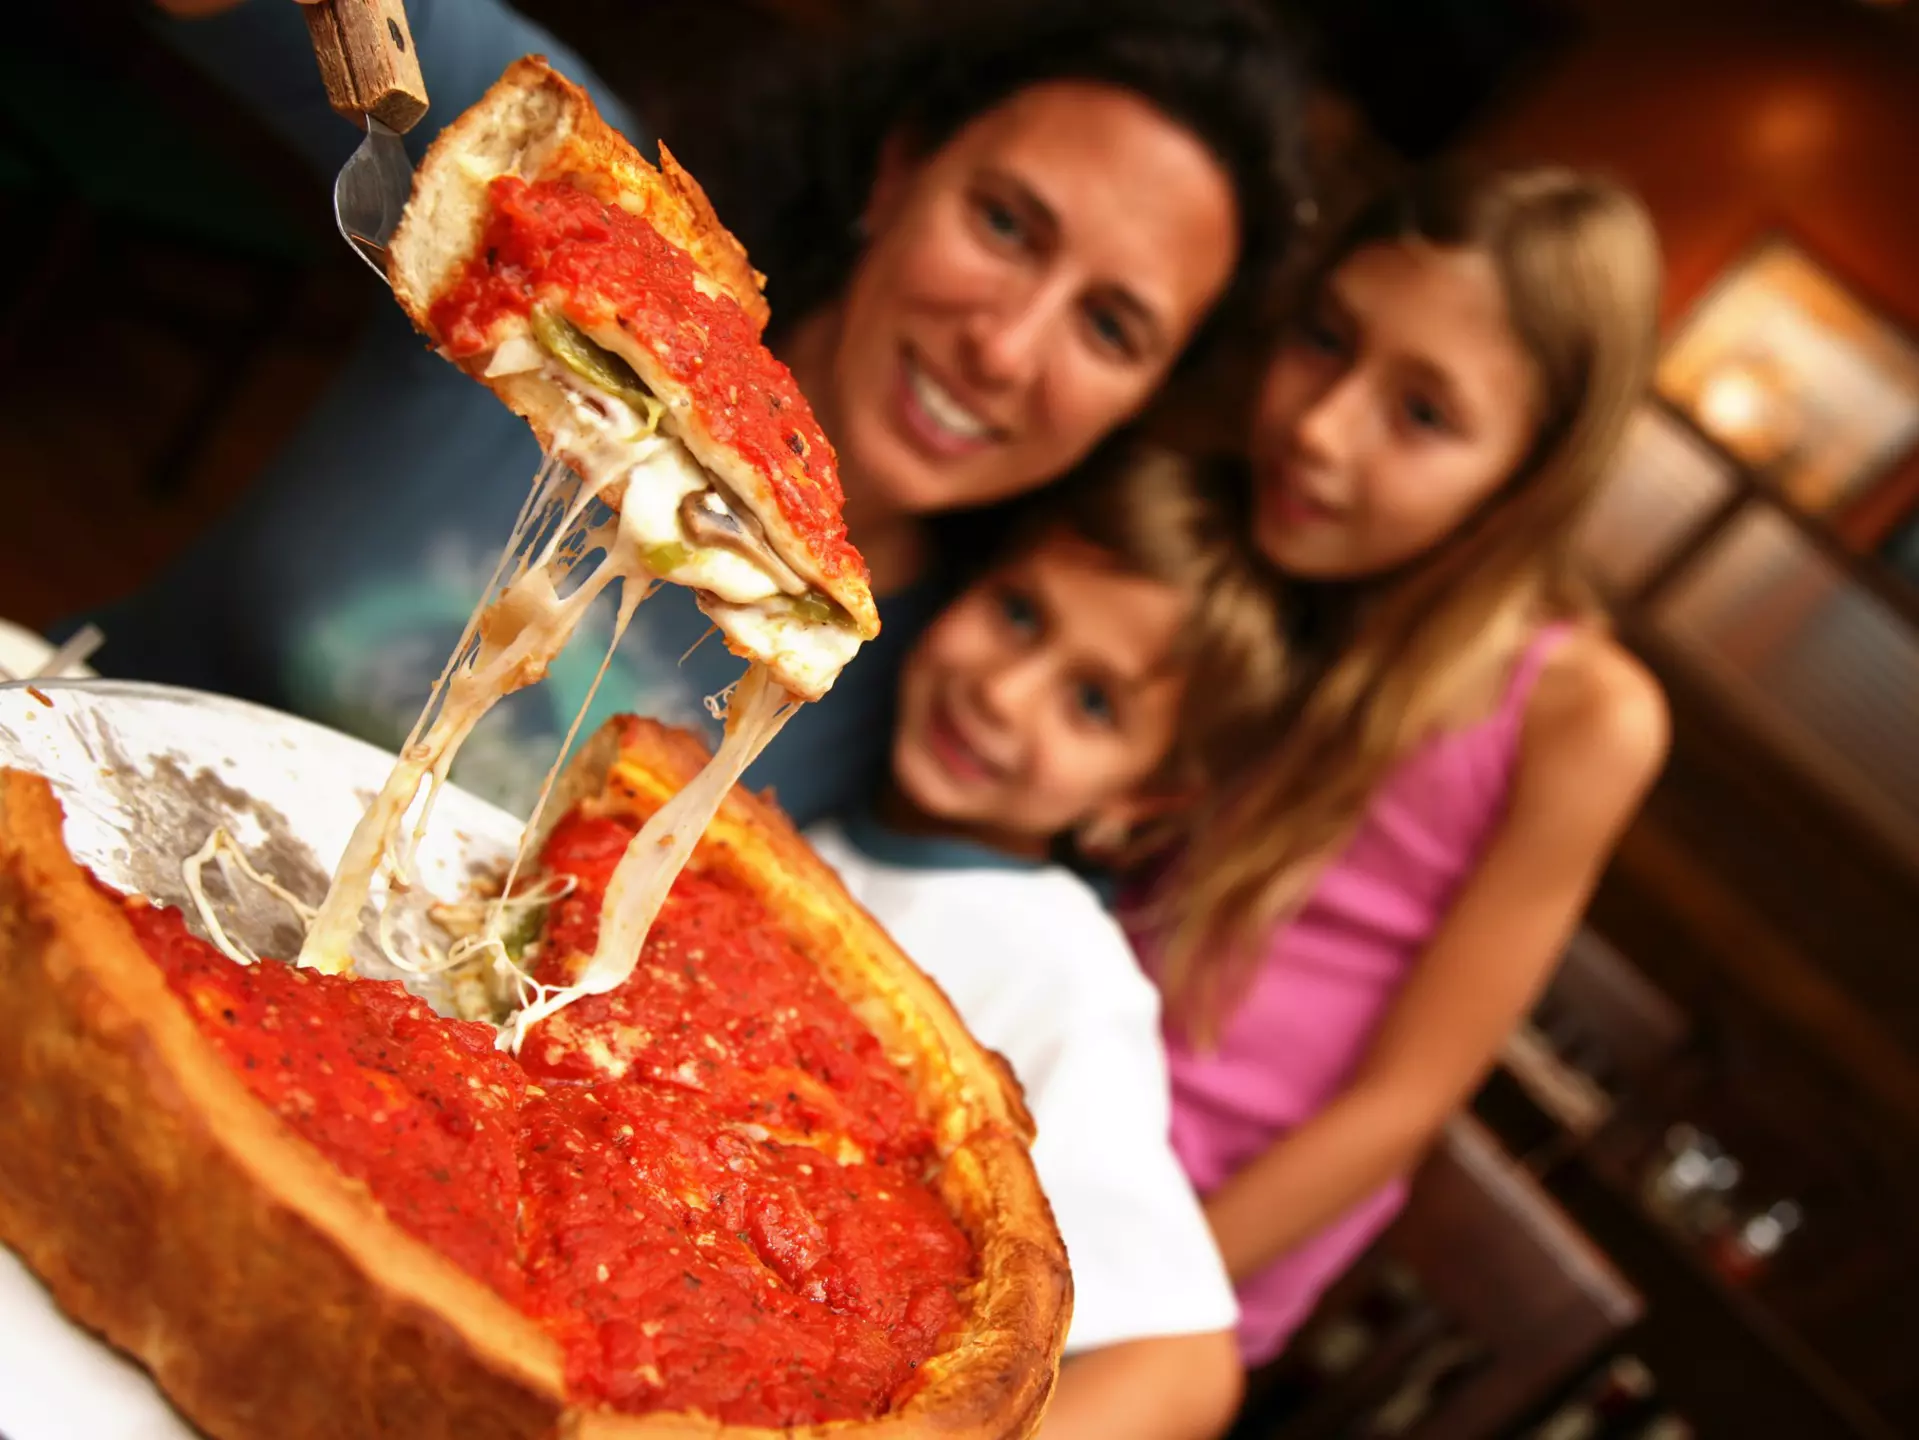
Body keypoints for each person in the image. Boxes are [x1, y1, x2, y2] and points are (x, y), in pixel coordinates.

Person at [71, 0, 1308, 825]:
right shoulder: (573, 213)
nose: (1004, 344)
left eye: (1110, 328)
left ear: (1145, 396)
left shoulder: (961, 689)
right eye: (1002, 223)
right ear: (900, 168)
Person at [1123, 164, 1672, 1368]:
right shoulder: (1259, 549)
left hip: (1184, 1239)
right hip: (1046, 1083)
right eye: (1326, 340)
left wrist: (1129, 1301)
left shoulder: (1581, 712)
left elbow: (1401, 1103)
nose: (1319, 427)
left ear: (1530, 475)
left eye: (1422, 414)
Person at [805, 444, 1289, 1440]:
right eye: (1017, 613)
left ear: (1140, 796)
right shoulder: (826, 808)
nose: (1004, 693)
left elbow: (1181, 1367)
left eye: (1091, 704)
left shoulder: (1061, 972)